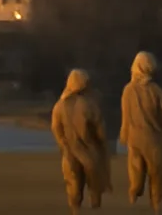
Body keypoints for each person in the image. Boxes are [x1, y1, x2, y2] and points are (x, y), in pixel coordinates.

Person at [51, 68, 112, 214]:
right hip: (90, 151)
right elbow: (100, 129)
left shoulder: (59, 105)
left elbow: (56, 128)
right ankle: (95, 207)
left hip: (69, 151)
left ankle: (75, 210)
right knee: (94, 184)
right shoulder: (89, 105)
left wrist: (63, 144)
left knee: (73, 184)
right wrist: (103, 145)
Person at [119, 51, 162, 212]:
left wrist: (124, 135)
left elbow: (126, 116)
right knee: (157, 175)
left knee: (136, 171)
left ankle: (134, 193)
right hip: (155, 140)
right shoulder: (155, 91)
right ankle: (156, 204)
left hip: (134, 139)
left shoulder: (128, 90)